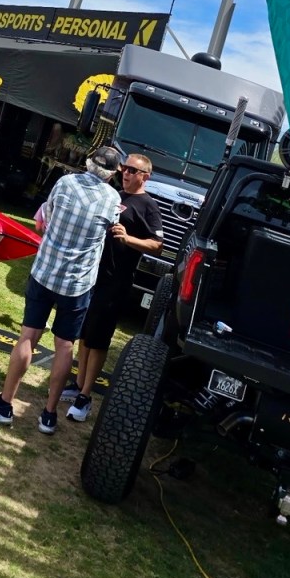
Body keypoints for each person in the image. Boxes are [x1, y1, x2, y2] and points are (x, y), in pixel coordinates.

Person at [0, 146, 122, 434]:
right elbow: (111, 229)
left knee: (28, 336)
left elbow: (48, 216)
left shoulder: (66, 182)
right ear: (113, 173)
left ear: (88, 162)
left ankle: (5, 403)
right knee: (64, 346)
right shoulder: (113, 198)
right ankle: (48, 415)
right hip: (77, 283)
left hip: (45, 271)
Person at [61, 153, 163, 421]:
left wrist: (128, 239)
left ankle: (86, 397)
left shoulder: (148, 206)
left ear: (145, 176)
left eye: (132, 170)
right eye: (124, 168)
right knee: (85, 332)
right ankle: (78, 384)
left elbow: (157, 245)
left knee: (99, 338)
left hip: (117, 280)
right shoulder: (115, 195)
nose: (126, 173)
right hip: (93, 274)